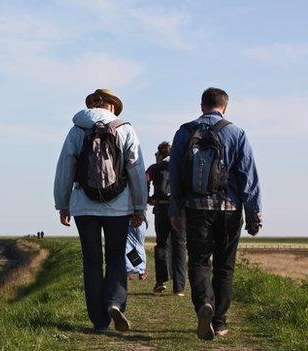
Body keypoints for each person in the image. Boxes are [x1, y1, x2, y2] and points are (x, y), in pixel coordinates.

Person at [169, 87, 262, 340]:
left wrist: (175, 209)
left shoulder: (184, 132)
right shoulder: (237, 133)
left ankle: (203, 305)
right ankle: (219, 321)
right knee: (225, 266)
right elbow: (248, 177)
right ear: (225, 107)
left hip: (196, 209)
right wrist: (254, 213)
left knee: (199, 262)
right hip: (230, 210)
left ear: (201, 106)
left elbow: (175, 174)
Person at [54, 89, 147, 333]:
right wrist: (139, 207)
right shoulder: (125, 128)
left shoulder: (77, 129)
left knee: (92, 261)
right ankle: (114, 303)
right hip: (119, 205)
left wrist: (63, 204)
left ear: (92, 105)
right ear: (112, 107)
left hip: (84, 206)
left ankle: (98, 320)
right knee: (116, 256)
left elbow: (65, 168)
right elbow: (136, 170)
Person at [147, 142, 187, 295]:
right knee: (180, 246)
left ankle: (161, 281)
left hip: (161, 209)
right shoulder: (181, 166)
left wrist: (147, 198)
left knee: (162, 244)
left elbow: (145, 178)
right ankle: (179, 286)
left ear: (159, 154)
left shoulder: (155, 168)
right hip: (180, 210)